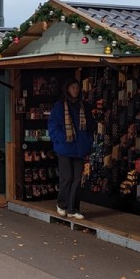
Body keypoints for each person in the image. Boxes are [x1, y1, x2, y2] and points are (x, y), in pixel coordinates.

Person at [47, 78, 93, 220]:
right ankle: (62, 204)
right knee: (67, 178)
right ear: (67, 89)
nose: (75, 90)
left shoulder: (83, 106)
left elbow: (91, 125)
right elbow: (53, 127)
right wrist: (62, 139)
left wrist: (88, 140)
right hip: (65, 147)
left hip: (79, 147)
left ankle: (73, 209)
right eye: (73, 87)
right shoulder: (59, 106)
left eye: (77, 87)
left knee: (78, 179)